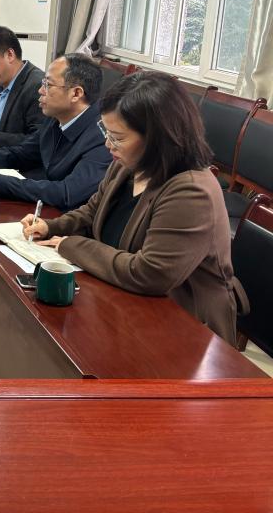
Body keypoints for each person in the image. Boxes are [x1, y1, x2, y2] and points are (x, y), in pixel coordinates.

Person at [22, 71, 245, 344]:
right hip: (123, 302)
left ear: (157, 139)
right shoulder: (128, 164)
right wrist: (50, 226)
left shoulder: (191, 191)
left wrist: (70, 245)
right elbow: (93, 210)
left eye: (117, 137)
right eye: (106, 132)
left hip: (185, 328)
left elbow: (150, 273)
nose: (108, 144)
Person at [0, 54, 111, 211]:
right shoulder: (55, 118)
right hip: (45, 210)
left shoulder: (103, 137)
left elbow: (67, 193)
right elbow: (24, 153)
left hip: (70, 221)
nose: (40, 90)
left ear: (76, 93)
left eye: (48, 85)